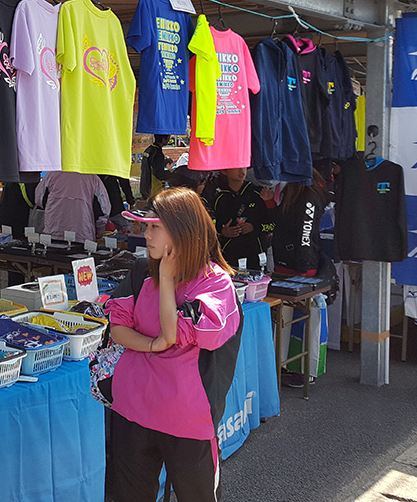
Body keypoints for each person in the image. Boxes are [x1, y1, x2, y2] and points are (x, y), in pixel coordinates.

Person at [105, 187, 242, 501]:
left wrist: (166, 280)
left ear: (183, 231)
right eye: (145, 226)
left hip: (188, 418)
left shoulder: (214, 282)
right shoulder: (140, 271)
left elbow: (177, 332)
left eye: (155, 227)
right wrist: (154, 345)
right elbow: (118, 329)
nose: (146, 235)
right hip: (132, 407)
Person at [202, 167, 275, 270]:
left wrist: (254, 227)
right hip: (229, 257)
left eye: (244, 168)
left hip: (256, 257)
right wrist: (223, 231)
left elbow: (274, 224)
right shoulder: (218, 197)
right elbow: (208, 228)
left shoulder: (260, 194)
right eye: (237, 169)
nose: (242, 172)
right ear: (225, 171)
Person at [271, 168, 329, 276]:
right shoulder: (292, 193)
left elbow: (306, 234)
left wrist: (302, 268)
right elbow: (282, 222)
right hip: (284, 260)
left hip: (299, 265)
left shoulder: (308, 197)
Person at [139, 135, 173, 201]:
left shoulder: (148, 149)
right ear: (163, 139)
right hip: (153, 187)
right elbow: (159, 173)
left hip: (144, 184)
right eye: (168, 138)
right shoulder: (157, 152)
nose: (168, 140)